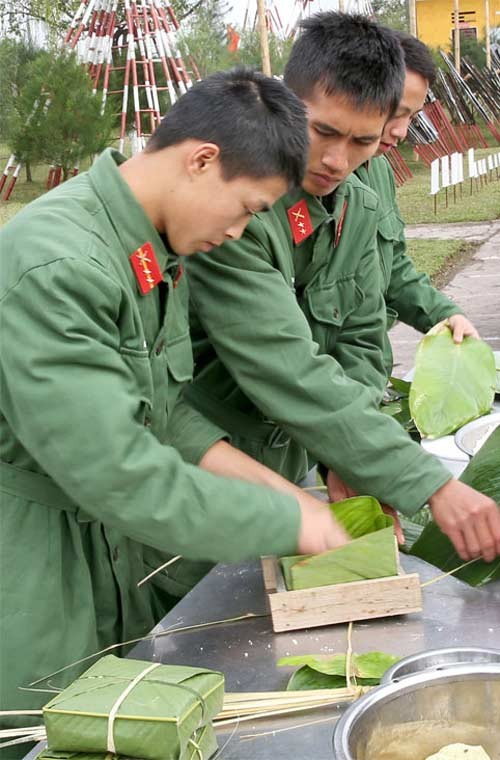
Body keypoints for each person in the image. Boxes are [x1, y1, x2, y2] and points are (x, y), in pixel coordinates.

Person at [0, 68, 347, 738]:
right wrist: (287, 522)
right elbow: (118, 471)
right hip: (33, 561)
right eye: (246, 209)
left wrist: (288, 494)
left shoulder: (146, 248)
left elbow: (166, 413)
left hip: (106, 550)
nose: (242, 233)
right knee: (42, 730)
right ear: (201, 160)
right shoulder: (60, 264)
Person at [182, 13, 500, 571]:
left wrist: (349, 459)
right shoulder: (236, 210)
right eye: (323, 132)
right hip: (205, 466)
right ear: (286, 103)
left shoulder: (358, 205)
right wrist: (426, 483)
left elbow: (362, 336)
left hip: (294, 454)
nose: (337, 160)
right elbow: (286, 366)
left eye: (363, 142)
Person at [354, 31, 478, 377]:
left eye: (413, 116)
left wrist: (444, 313)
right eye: (397, 113)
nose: (401, 131)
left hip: (368, 379)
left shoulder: (377, 169)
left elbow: (391, 266)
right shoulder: (318, 180)